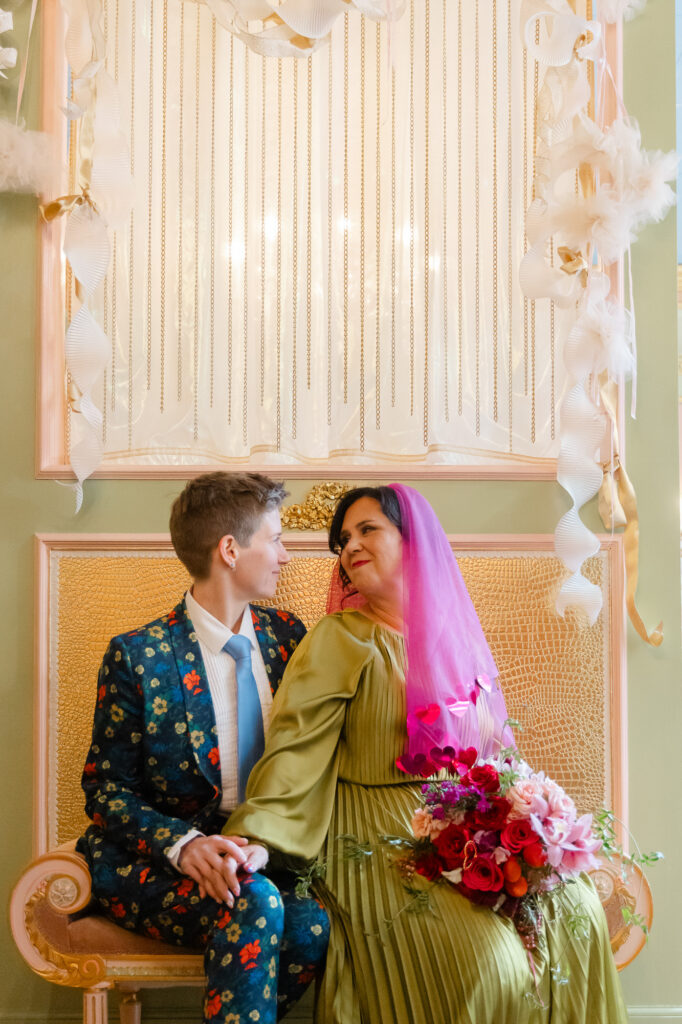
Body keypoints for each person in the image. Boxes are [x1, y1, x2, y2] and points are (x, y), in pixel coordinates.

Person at [226, 484, 628, 1024]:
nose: (350, 546)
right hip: (376, 838)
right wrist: (256, 836)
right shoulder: (340, 639)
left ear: (413, 540)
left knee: (579, 910)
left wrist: (529, 822)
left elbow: (495, 754)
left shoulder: (457, 640)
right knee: (493, 964)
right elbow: (295, 749)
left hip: (468, 828)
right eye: (343, 540)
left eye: (367, 529)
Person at [76, 472, 329, 1024]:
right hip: (155, 860)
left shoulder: (290, 639)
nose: (285, 555)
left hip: (257, 856)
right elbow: (105, 789)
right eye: (276, 539)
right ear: (230, 550)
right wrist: (184, 845)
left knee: (310, 925)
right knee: (256, 902)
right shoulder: (138, 656)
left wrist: (259, 845)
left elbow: (312, 760)